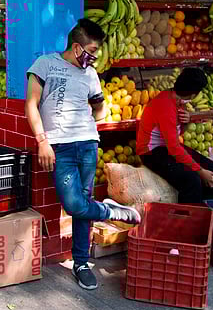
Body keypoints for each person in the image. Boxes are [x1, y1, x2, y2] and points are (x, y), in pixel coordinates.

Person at [25, 18, 141, 291]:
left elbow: (99, 109)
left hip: (88, 143)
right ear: (76, 47)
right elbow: (31, 104)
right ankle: (110, 210)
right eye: (91, 49)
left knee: (82, 204)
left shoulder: (90, 74)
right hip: (59, 147)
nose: (95, 55)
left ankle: (81, 263)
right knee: (73, 205)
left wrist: (88, 114)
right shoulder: (45, 64)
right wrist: (42, 141)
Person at [136, 67, 213, 204]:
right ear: (194, 95)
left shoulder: (176, 100)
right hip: (151, 153)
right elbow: (173, 148)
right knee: (192, 180)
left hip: (166, 148)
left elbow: (175, 135)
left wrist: (186, 123)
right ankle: (190, 220)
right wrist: (200, 171)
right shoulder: (165, 105)